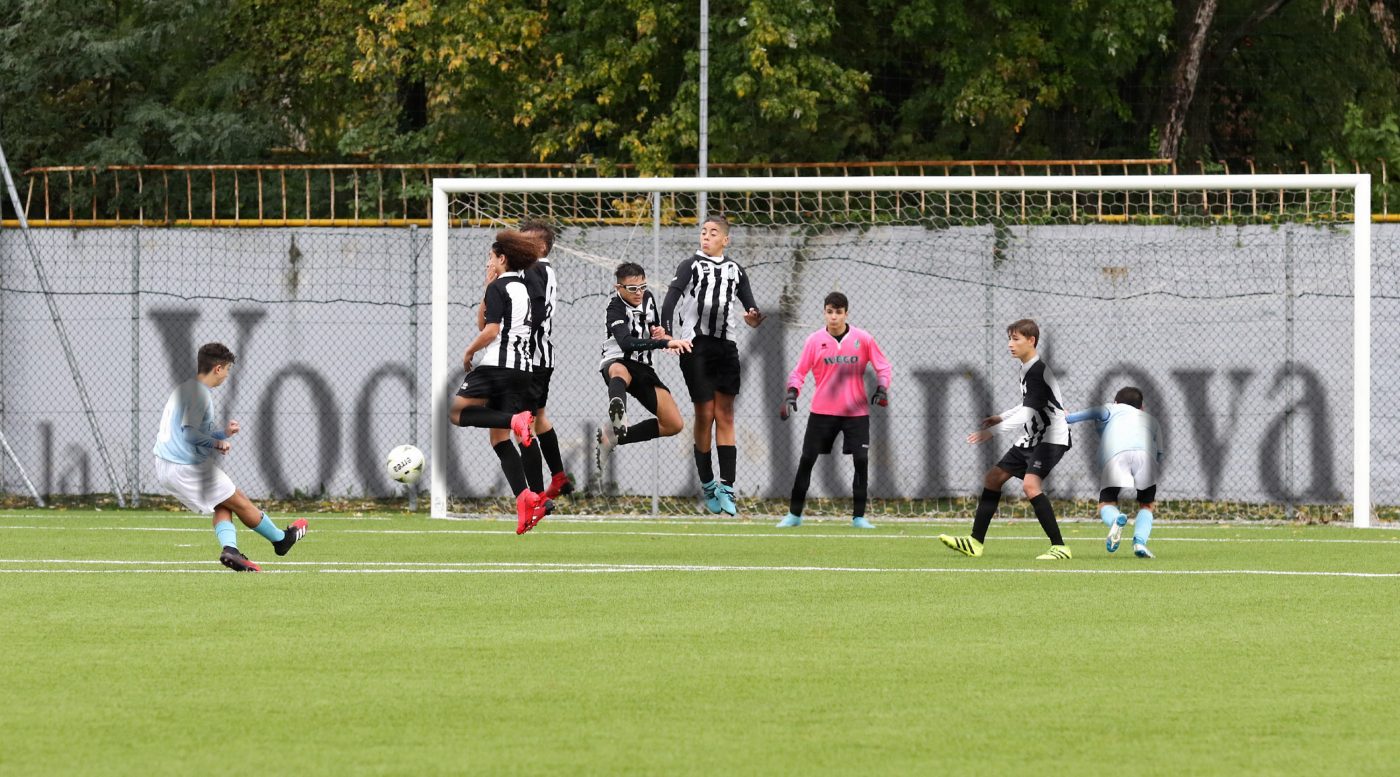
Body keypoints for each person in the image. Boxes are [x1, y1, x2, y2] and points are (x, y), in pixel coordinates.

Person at [152, 342, 307, 572]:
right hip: (186, 466)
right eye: (227, 369)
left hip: (165, 466)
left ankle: (231, 550)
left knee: (223, 501)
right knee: (239, 499)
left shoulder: (184, 389)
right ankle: (281, 540)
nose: (226, 375)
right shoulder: (200, 396)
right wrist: (217, 443)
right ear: (217, 368)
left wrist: (223, 433)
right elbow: (189, 434)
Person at [939, 319, 1073, 560]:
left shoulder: (1038, 371)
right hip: (1033, 437)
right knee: (993, 479)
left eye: (1016, 339)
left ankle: (1060, 547)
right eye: (1009, 339)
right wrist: (1001, 416)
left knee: (1030, 485)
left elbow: (1028, 413)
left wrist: (992, 432)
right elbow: (1028, 404)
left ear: (1031, 341)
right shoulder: (1027, 368)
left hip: (1051, 438)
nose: (1010, 344)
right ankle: (974, 542)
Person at [660, 214, 764, 516]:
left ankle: (727, 486)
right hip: (696, 345)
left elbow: (751, 309)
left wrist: (754, 318)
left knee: (726, 414)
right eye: (703, 232)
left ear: (725, 240)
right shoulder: (690, 265)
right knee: (705, 414)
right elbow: (671, 299)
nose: (706, 236)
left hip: (726, 347)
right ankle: (707, 483)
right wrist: (667, 333)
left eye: (713, 232)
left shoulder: (736, 271)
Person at [450, 229, 552, 535]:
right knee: (499, 439)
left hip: (497, 365)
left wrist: (469, 350)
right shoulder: (523, 288)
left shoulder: (500, 288)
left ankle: (514, 420)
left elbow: (490, 330)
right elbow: (484, 320)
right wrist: (487, 288)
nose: (487, 262)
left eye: (490, 257)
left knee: (455, 412)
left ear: (502, 258)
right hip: (523, 370)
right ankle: (527, 500)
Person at [777, 292, 892, 529]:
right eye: (830, 312)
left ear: (846, 314)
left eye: (838, 312)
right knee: (807, 459)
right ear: (824, 313)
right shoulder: (814, 341)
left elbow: (884, 367)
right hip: (822, 412)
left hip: (856, 413)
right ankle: (794, 515)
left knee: (861, 460)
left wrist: (882, 388)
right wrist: (792, 393)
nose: (834, 317)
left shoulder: (863, 339)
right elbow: (799, 372)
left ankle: (858, 517)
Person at [595, 262, 693, 470]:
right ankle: (618, 413)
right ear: (618, 287)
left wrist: (657, 331)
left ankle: (612, 437)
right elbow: (626, 343)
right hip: (618, 360)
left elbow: (652, 325)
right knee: (619, 372)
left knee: (674, 424)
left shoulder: (647, 298)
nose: (639, 292)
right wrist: (665, 343)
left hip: (644, 367)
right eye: (632, 288)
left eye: (642, 287)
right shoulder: (615, 308)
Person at [1067, 386, 1165, 558]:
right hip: (1146, 456)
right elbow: (1160, 453)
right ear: (1142, 407)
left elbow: (1094, 412)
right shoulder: (1151, 420)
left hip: (1116, 455)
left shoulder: (1112, 408)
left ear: (1115, 402)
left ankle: (1115, 520)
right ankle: (1140, 543)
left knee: (1106, 503)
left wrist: (1068, 417)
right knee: (1147, 505)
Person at [518, 220, 574, 500]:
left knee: (523, 425)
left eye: (525, 242)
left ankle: (537, 497)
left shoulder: (533, 269)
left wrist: (518, 332)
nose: (519, 246)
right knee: (539, 418)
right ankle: (559, 476)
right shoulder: (546, 269)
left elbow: (537, 310)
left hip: (531, 359)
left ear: (541, 247)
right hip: (544, 356)